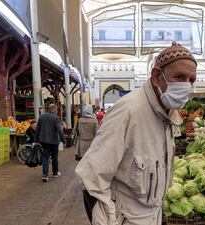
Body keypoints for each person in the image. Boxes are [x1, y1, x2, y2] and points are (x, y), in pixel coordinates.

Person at [75, 42, 197, 225]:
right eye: (179, 76)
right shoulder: (129, 111)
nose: (186, 86)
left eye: (191, 80)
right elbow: (92, 178)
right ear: (157, 76)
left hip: (153, 215)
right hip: (126, 218)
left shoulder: (169, 114)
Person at [35, 104, 66, 182]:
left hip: (44, 140)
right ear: (54, 109)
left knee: (45, 157)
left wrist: (36, 140)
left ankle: (45, 175)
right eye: (56, 109)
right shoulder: (56, 117)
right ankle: (55, 173)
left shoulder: (42, 116)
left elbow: (38, 128)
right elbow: (60, 130)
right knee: (54, 157)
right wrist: (64, 140)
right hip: (54, 141)